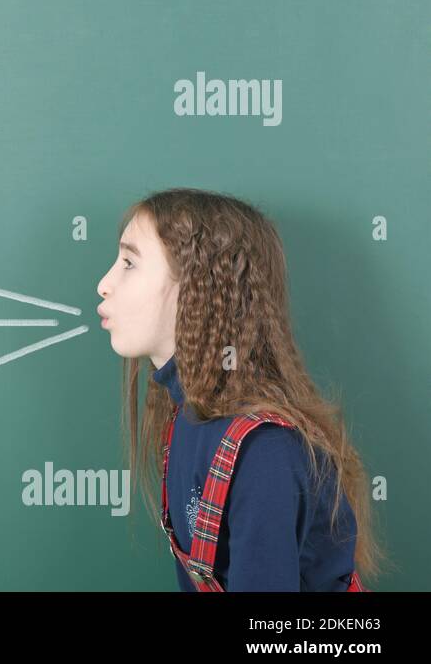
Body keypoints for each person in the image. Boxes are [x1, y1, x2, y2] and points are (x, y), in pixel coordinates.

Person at [95, 188, 387, 591]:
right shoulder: (184, 414)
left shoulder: (264, 450)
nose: (104, 284)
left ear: (198, 285)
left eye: (129, 262)